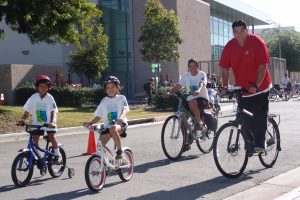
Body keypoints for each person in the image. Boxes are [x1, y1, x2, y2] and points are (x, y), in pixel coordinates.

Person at [219, 19, 272, 153]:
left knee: (259, 114)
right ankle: (250, 141)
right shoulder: (230, 46)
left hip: (260, 86)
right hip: (243, 88)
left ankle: (260, 144)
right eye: (236, 32)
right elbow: (225, 68)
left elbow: (262, 66)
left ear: (247, 31)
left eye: (242, 31)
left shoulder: (257, 42)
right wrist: (225, 86)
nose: (240, 34)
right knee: (245, 115)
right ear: (233, 33)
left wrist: (257, 85)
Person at [84, 76, 129, 160]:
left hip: (120, 124)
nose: (110, 89)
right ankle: (108, 161)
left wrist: (121, 118)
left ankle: (120, 152)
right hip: (108, 126)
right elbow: (98, 116)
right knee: (100, 145)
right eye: (108, 87)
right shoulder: (104, 100)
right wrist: (90, 123)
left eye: (112, 87)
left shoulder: (121, 98)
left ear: (117, 87)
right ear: (105, 89)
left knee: (113, 129)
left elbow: (124, 109)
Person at [18, 75, 61, 162]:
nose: (43, 88)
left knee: (51, 136)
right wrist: (23, 120)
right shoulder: (33, 97)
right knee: (35, 138)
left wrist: (51, 122)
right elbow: (27, 111)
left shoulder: (50, 98)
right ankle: (35, 155)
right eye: (41, 86)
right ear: (37, 87)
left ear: (48, 87)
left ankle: (57, 154)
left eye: (45, 86)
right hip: (38, 122)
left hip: (49, 122)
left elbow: (53, 111)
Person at [167, 58, 209, 130]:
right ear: (188, 67)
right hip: (189, 98)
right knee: (182, 118)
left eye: (194, 66)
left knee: (191, 102)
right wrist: (170, 92)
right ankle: (187, 137)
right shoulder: (186, 75)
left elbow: (201, 83)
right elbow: (179, 85)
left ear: (197, 66)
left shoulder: (202, 74)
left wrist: (198, 90)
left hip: (202, 98)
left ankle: (199, 122)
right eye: (190, 66)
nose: (192, 68)